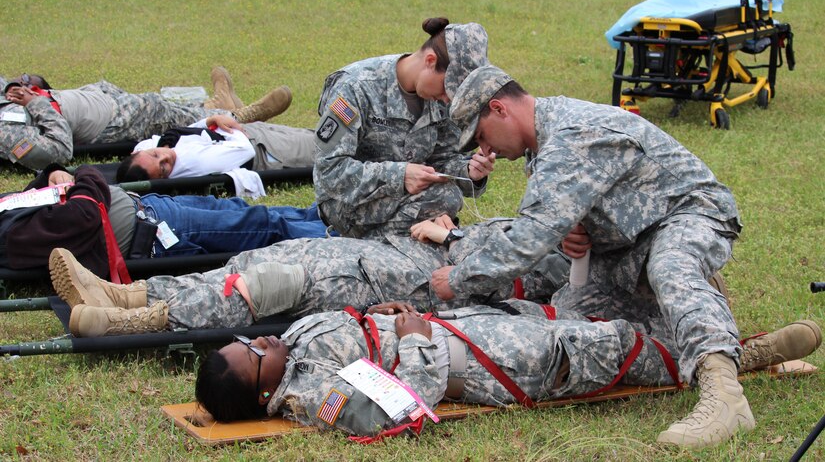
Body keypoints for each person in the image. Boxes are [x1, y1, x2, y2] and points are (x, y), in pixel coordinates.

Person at [432, 64, 759, 448]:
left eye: (482, 137)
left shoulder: (571, 136)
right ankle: (736, 350)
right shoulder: (543, 142)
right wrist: (576, 234)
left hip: (687, 215)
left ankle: (725, 398)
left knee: (671, 265)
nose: (486, 151)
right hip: (628, 249)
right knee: (574, 316)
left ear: (500, 108)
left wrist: (458, 279)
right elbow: (571, 216)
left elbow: (529, 237)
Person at [192, 302, 820, 439]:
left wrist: (375, 317)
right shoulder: (312, 396)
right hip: (491, 363)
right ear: (264, 389)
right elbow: (400, 406)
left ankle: (721, 339)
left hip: (471, 323)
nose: (261, 340)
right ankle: (740, 357)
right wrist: (410, 341)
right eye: (254, 353)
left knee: (593, 312)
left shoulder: (291, 353)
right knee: (617, 348)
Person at [46, 217, 573, 337]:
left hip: (386, 282)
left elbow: (495, 278)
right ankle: (124, 290)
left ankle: (132, 321)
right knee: (248, 266)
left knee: (265, 289)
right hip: (372, 252)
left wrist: (449, 240)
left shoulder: (560, 266)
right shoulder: (547, 224)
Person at [312, 18, 495, 240]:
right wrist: (399, 176)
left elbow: (442, 158)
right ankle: (373, 246)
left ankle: (413, 242)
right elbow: (329, 171)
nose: (448, 99)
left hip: (408, 199)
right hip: (347, 202)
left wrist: (468, 172)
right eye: (448, 89)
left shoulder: (439, 97)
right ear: (430, 60)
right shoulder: (354, 87)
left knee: (446, 199)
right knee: (443, 201)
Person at [2, 164, 329, 279]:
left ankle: (328, 217)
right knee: (260, 226)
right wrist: (84, 175)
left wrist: (50, 174)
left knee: (247, 212)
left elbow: (36, 198)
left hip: (147, 209)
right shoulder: (9, 236)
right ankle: (340, 238)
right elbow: (83, 216)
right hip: (155, 231)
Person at [0, 68, 291, 169]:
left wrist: (18, 83)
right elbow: (57, 151)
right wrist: (37, 103)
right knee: (155, 108)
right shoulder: (6, 133)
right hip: (105, 122)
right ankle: (239, 115)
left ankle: (214, 104)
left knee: (159, 105)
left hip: (89, 97)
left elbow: (36, 81)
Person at [115, 114, 315, 182]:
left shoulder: (153, 149)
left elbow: (151, 144)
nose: (166, 157)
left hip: (255, 133)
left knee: (318, 134)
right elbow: (245, 151)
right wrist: (226, 127)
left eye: (156, 154)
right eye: (163, 167)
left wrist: (211, 120)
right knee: (328, 143)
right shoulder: (197, 164)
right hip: (268, 152)